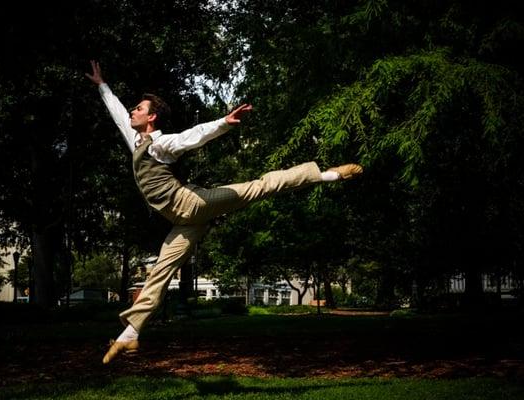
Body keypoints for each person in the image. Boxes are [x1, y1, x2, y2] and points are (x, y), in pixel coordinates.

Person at [85, 60, 363, 364]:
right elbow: (117, 114)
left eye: (138, 109)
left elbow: (192, 136)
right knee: (160, 272)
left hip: (191, 204)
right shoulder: (136, 140)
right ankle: (131, 335)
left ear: (151, 117)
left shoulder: (161, 143)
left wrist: (223, 123)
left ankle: (327, 175)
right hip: (181, 220)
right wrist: (102, 85)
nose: (133, 112)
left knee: (258, 187)